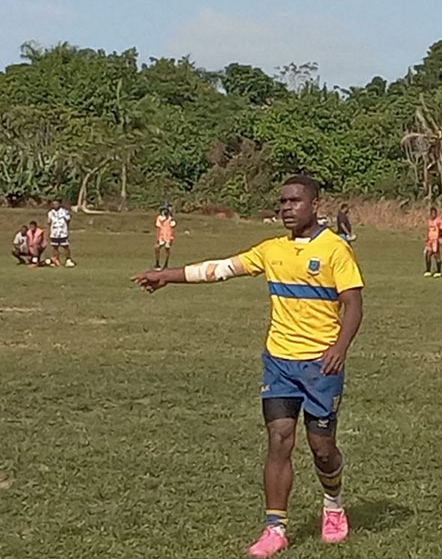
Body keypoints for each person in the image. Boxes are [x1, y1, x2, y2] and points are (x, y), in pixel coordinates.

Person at [132, 175, 364, 556]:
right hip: (279, 363)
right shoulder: (272, 250)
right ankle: (275, 528)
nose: (287, 208)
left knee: (322, 448)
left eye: (295, 201)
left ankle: (333, 504)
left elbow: (353, 304)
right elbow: (220, 269)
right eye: (282, 202)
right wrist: (167, 277)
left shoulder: (336, 250)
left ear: (315, 205)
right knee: (279, 439)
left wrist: (340, 347)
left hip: (321, 365)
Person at [47, 199, 75, 267]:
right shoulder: (50, 213)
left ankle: (68, 260)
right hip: (54, 232)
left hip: (62, 232)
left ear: (60, 204)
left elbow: (68, 220)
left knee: (65, 246)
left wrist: (66, 230)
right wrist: (49, 232)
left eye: (56, 204)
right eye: (54, 204)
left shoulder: (64, 211)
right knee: (55, 247)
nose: (55, 205)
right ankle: (56, 260)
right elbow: (49, 223)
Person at [423, 206, 442, 277]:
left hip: (436, 240)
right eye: (431, 213)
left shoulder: (439, 221)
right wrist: (427, 238)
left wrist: (439, 236)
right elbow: (429, 230)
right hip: (430, 240)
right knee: (427, 254)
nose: (433, 215)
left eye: (434, 213)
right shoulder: (430, 221)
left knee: (436, 255)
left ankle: (439, 271)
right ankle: (428, 271)